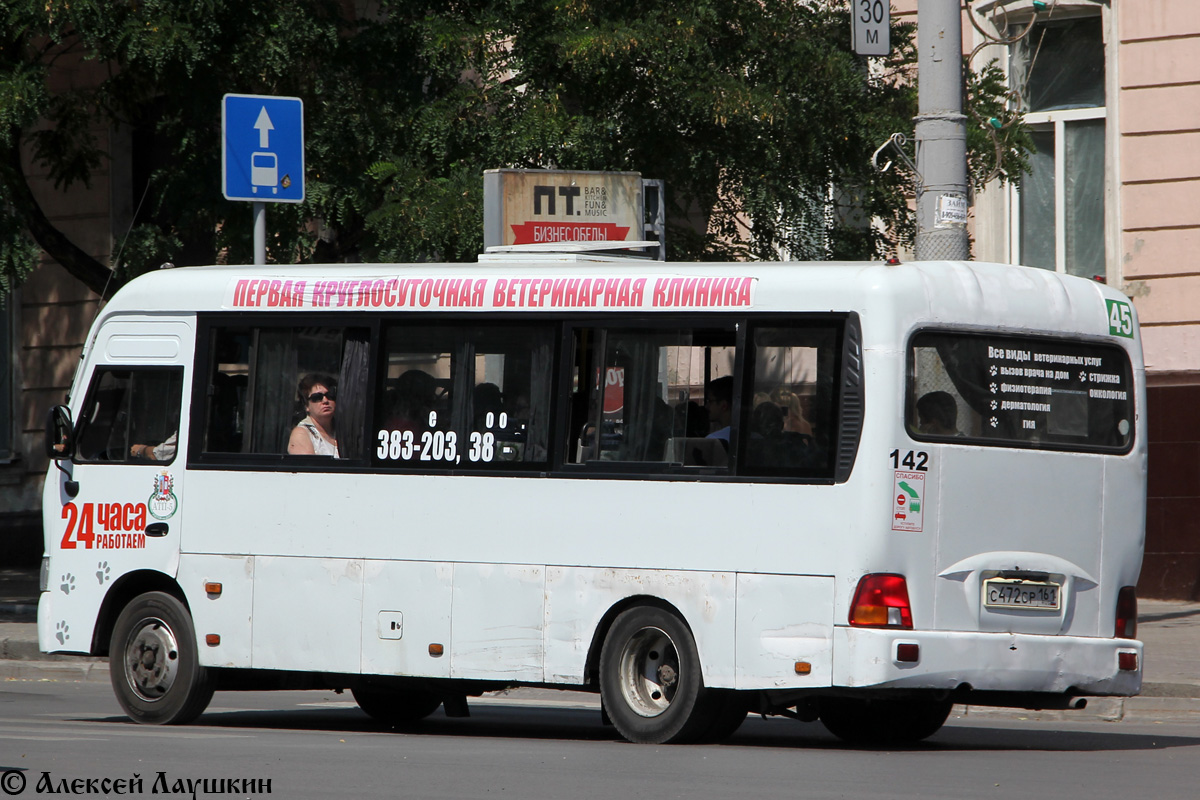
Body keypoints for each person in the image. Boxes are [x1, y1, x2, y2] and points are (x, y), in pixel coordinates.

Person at [288, 373, 339, 456]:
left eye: (330, 395)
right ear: (306, 406)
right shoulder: (302, 434)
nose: (325, 400)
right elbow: (307, 467)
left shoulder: (343, 431)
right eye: (317, 397)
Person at [705, 376, 734, 441]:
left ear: (724, 405)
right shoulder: (758, 437)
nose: (706, 406)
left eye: (710, 401)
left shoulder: (713, 440)